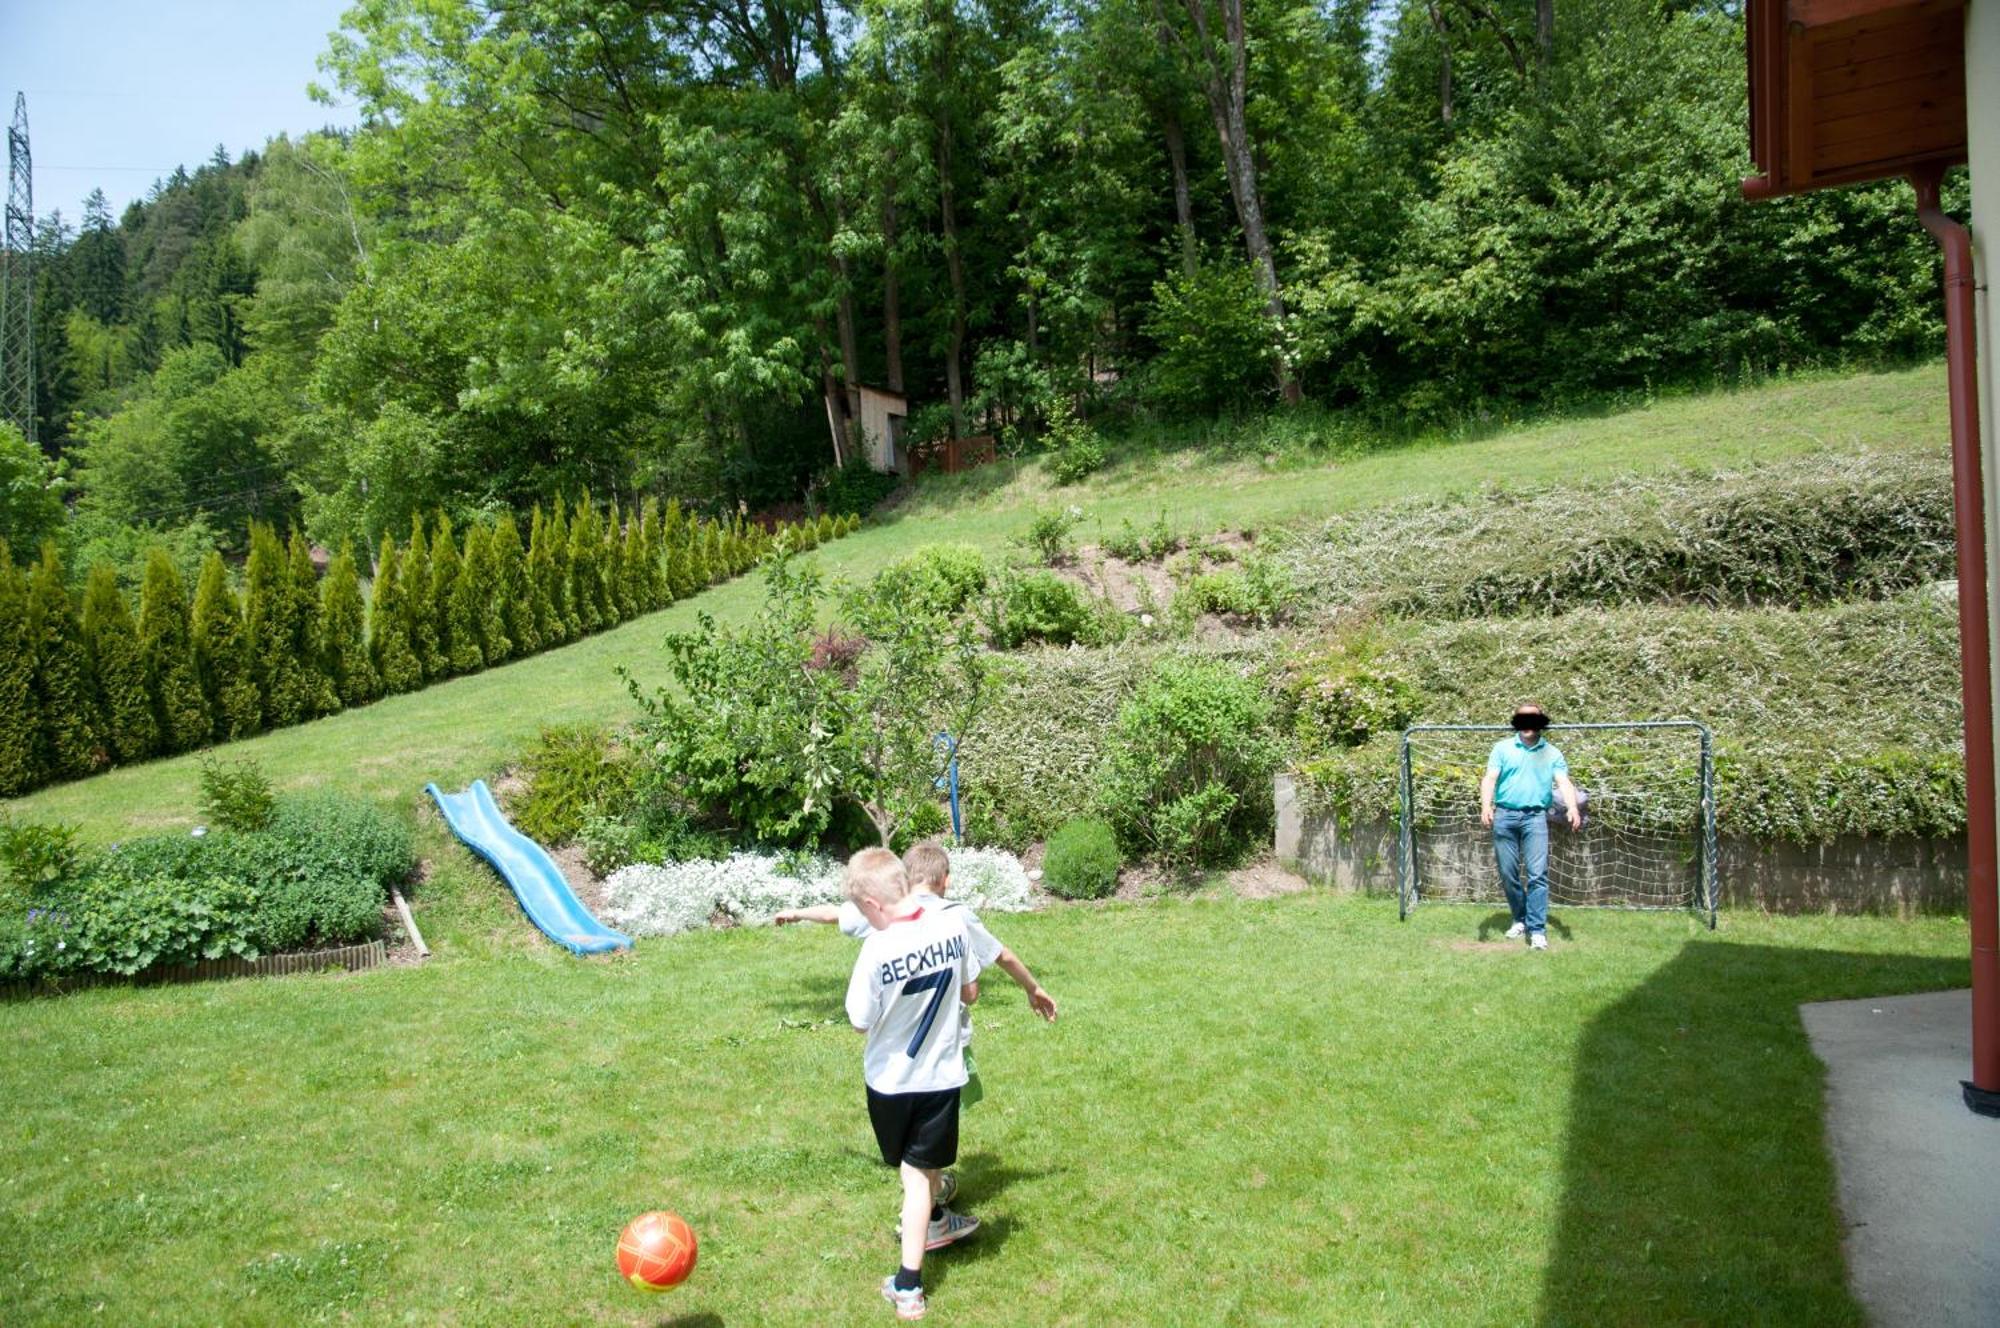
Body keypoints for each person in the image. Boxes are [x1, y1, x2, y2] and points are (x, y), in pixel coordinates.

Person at [778, 842, 1057, 1195]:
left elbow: (837, 913)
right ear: (947, 880)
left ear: (905, 880)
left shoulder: (885, 913)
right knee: (933, 1125)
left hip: (893, 1058)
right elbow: (999, 956)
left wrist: (796, 911)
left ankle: (926, 1191)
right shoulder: (955, 917)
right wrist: (1033, 988)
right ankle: (930, 1198)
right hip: (943, 1044)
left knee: (913, 1132)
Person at [843, 847, 983, 1321]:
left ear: (874, 903)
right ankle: (937, 1220)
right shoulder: (953, 924)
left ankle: (908, 1286)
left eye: (864, 912)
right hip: (942, 1077)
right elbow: (970, 991)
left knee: (913, 1177)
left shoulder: (876, 948)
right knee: (921, 1175)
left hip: (890, 1083)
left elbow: (860, 1020)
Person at [1479, 704, 1582, 950]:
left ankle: (1537, 930)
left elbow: (1563, 781)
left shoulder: (1552, 753)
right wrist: (1486, 805)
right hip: (1504, 816)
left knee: (1538, 875)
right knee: (1508, 873)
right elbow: (1490, 778)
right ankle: (1520, 918)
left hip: (1535, 819)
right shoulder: (1502, 748)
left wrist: (1573, 807)